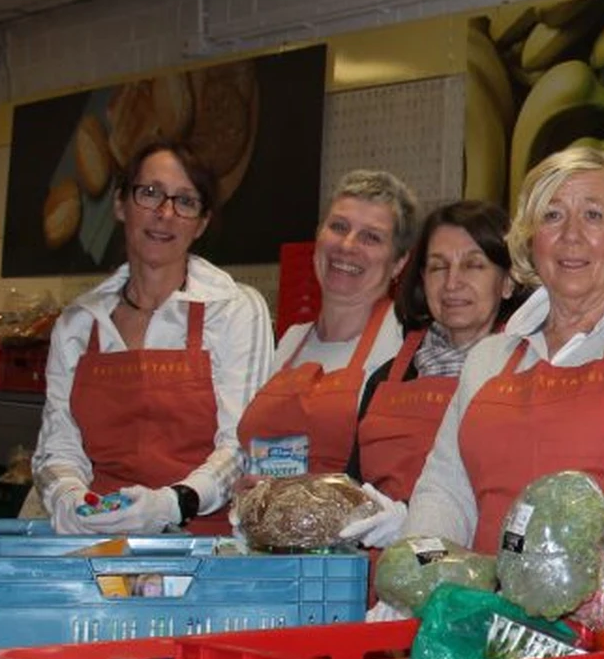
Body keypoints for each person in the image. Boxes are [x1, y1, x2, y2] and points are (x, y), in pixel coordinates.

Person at [389, 148, 604, 553]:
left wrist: (535, 573)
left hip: (600, 603)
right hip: (482, 605)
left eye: (593, 215)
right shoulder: (489, 357)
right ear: (530, 238)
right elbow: (444, 489)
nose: (571, 235)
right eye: (552, 216)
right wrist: (422, 574)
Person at [32, 140, 273, 534]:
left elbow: (242, 443)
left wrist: (174, 502)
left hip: (205, 547)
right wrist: (70, 499)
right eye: (149, 193)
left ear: (202, 223)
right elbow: (56, 446)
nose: (165, 214)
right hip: (100, 543)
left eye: (185, 201)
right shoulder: (79, 322)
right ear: (119, 204)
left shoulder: (235, 309)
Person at [339, 201, 516, 544]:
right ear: (422, 280)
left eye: (473, 265)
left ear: (508, 282)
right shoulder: (388, 377)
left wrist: (414, 524)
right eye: (437, 267)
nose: (452, 283)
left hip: (475, 578)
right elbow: (353, 487)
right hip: (383, 578)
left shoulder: (524, 376)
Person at [236, 170, 416, 480]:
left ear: (399, 262)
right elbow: (245, 453)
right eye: (338, 227)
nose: (347, 246)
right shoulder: (289, 342)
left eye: (371, 237)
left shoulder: (405, 348)